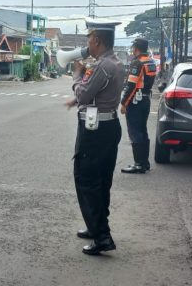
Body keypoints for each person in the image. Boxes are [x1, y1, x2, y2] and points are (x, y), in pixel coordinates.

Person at [65, 19, 125, 255]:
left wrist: (77, 75)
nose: (87, 43)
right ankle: (96, 226)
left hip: (95, 130)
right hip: (108, 127)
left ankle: (102, 237)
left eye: (89, 38)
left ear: (97, 40)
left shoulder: (102, 66)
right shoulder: (116, 63)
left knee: (86, 179)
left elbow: (83, 93)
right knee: (102, 180)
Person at [121, 38, 156, 174]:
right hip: (146, 99)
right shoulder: (151, 62)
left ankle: (138, 164)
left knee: (135, 132)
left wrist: (124, 103)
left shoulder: (137, 63)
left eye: (133, 47)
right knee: (142, 130)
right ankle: (145, 162)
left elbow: (132, 85)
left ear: (136, 48)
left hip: (135, 101)